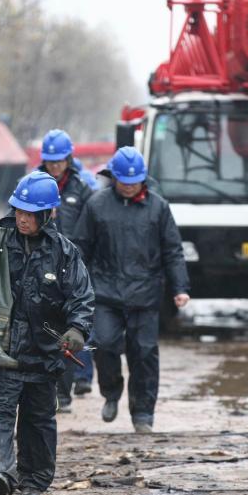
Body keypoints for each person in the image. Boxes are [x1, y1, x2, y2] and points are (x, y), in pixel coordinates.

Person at [0, 171, 94, 495]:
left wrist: (77, 329)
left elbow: (81, 296)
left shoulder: (64, 253)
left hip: (44, 353)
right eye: (18, 210)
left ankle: (34, 481)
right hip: (2, 352)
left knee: (38, 421)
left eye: (29, 213)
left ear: (46, 214)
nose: (21, 218)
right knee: (0, 412)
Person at [73, 147, 190, 433]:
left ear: (143, 179)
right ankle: (111, 392)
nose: (128, 185)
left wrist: (180, 286)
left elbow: (172, 251)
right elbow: (80, 248)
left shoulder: (158, 208)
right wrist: (74, 286)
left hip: (145, 293)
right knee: (104, 343)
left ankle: (143, 414)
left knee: (144, 353)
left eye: (133, 180)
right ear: (113, 177)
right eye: (123, 180)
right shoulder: (96, 205)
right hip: (105, 292)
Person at [36, 129, 94, 410]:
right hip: (40, 268)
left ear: (69, 159)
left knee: (71, 329)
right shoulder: (33, 185)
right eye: (50, 161)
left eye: (59, 160)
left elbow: (94, 228)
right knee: (46, 330)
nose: (55, 166)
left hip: (73, 268)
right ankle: (51, 391)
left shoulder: (81, 189)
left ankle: (65, 393)